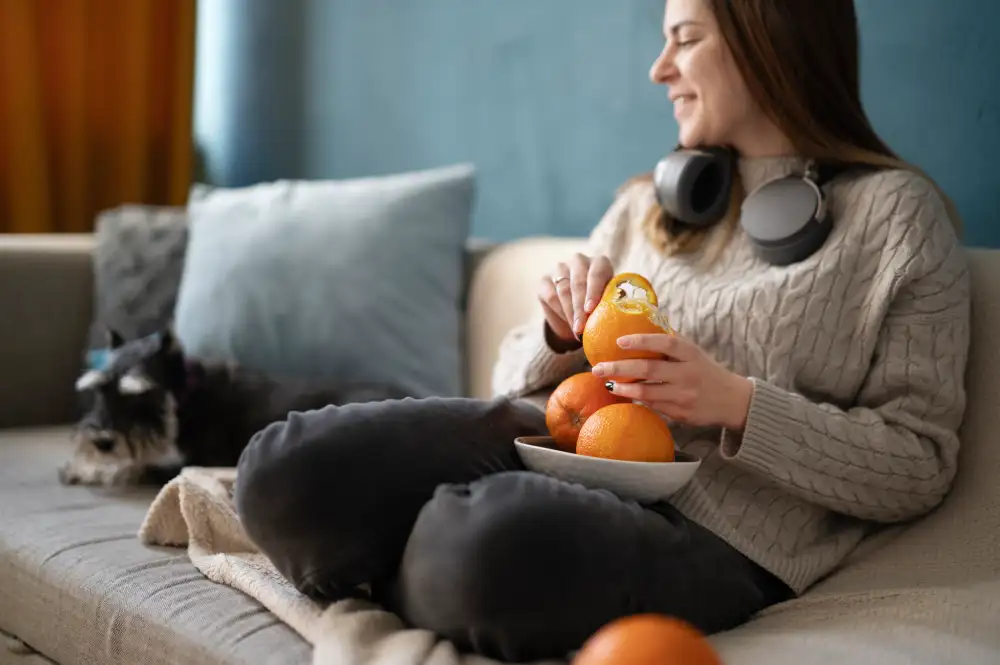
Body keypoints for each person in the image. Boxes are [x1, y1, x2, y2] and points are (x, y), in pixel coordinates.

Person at [233, 0, 971, 662]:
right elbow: (506, 382)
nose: (660, 69)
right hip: (561, 447)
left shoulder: (896, 217)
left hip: (722, 534)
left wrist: (737, 404)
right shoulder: (651, 205)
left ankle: (421, 559)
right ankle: (423, 559)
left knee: (473, 551)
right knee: (281, 473)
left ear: (768, 39)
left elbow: (921, 462)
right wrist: (558, 336)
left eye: (684, 39)